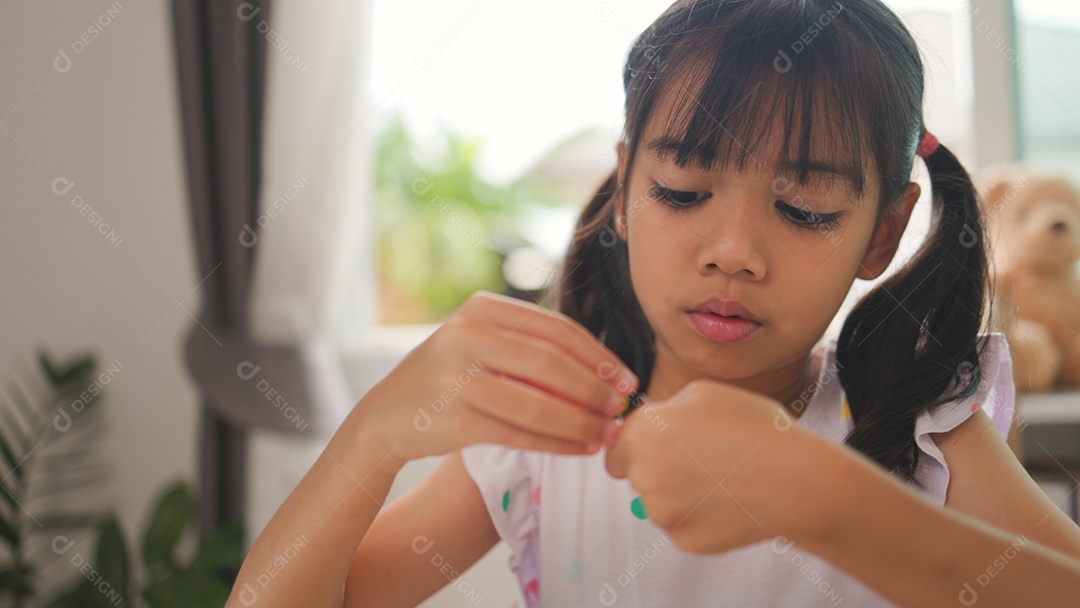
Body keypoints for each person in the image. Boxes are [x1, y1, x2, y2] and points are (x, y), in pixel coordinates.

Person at [227, 1, 1080, 606]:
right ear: (628, 190)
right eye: (681, 190)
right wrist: (371, 438)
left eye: (805, 208)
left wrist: (834, 502)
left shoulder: (922, 427)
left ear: (882, 232)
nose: (733, 252)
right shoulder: (546, 435)